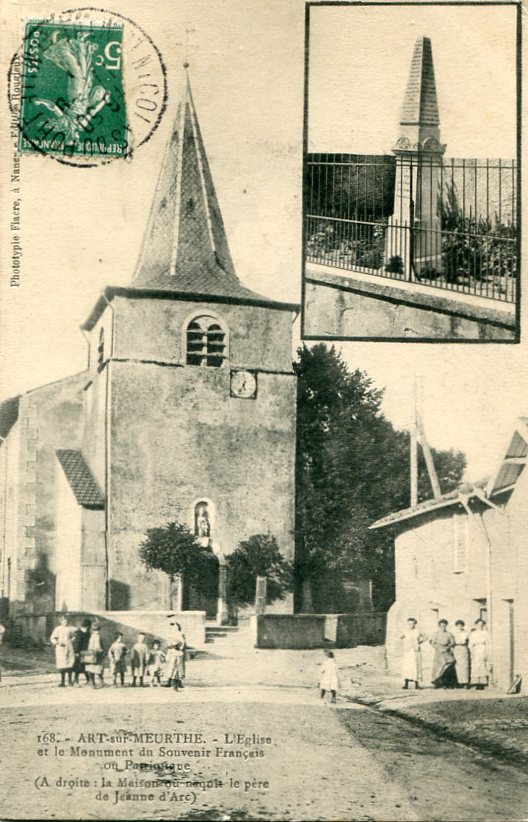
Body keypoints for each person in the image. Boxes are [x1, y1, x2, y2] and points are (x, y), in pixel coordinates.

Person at [50, 614, 75, 687]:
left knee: (70, 663)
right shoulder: (57, 629)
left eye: (66, 621)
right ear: (61, 622)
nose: (65, 622)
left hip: (69, 647)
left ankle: (70, 681)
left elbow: (74, 636)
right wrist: (57, 642)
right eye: (64, 621)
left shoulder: (70, 629)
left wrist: (70, 641)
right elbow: (52, 638)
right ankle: (62, 682)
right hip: (61, 648)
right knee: (62, 664)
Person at [400, 617, 426, 689]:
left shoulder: (417, 631)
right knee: (407, 666)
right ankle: (406, 684)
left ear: (415, 624)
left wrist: (419, 642)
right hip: (407, 651)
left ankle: (416, 684)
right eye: (409, 624)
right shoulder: (405, 631)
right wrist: (405, 643)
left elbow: (425, 637)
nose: (410, 625)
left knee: (415, 666)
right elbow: (400, 637)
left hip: (415, 651)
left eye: (412, 623)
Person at [430, 619, 456, 688]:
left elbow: (452, 642)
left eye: (444, 626)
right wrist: (438, 648)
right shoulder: (436, 634)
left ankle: (446, 682)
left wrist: (447, 647)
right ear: (439, 626)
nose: (443, 627)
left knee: (447, 666)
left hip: (446, 651)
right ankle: (437, 682)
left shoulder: (449, 634)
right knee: (438, 667)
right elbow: (432, 643)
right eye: (441, 626)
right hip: (438, 651)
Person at [469, 618, 490, 690]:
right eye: (478, 624)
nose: (480, 626)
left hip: (483, 648)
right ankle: (476, 682)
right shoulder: (473, 633)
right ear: (476, 625)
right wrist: (472, 652)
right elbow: (471, 643)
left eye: (481, 624)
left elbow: (488, 643)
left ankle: (482, 683)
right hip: (476, 648)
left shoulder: (485, 633)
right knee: (475, 665)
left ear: (483, 625)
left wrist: (486, 652)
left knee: (482, 665)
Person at [72, 618, 91, 686]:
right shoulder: (79, 633)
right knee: (78, 667)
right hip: (80, 652)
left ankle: (88, 680)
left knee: (86, 666)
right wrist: (76, 652)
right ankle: (75, 681)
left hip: (86, 652)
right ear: (87, 626)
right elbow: (76, 643)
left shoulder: (87, 633)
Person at [84, 624, 105, 688]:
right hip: (95, 654)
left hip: (92, 654)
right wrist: (100, 650)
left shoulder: (93, 636)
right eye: (95, 630)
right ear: (93, 630)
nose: (97, 631)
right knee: (96, 669)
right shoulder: (96, 636)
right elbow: (97, 647)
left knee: (93, 669)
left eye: (98, 630)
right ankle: (96, 683)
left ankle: (96, 683)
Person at [453, 619, 470, 688]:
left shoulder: (466, 633)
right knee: (458, 665)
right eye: (458, 626)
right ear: (456, 626)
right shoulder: (454, 633)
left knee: (465, 665)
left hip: (463, 648)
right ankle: (459, 682)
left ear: (463, 626)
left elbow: (468, 641)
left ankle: (466, 682)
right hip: (457, 648)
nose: (460, 627)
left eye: (461, 625)